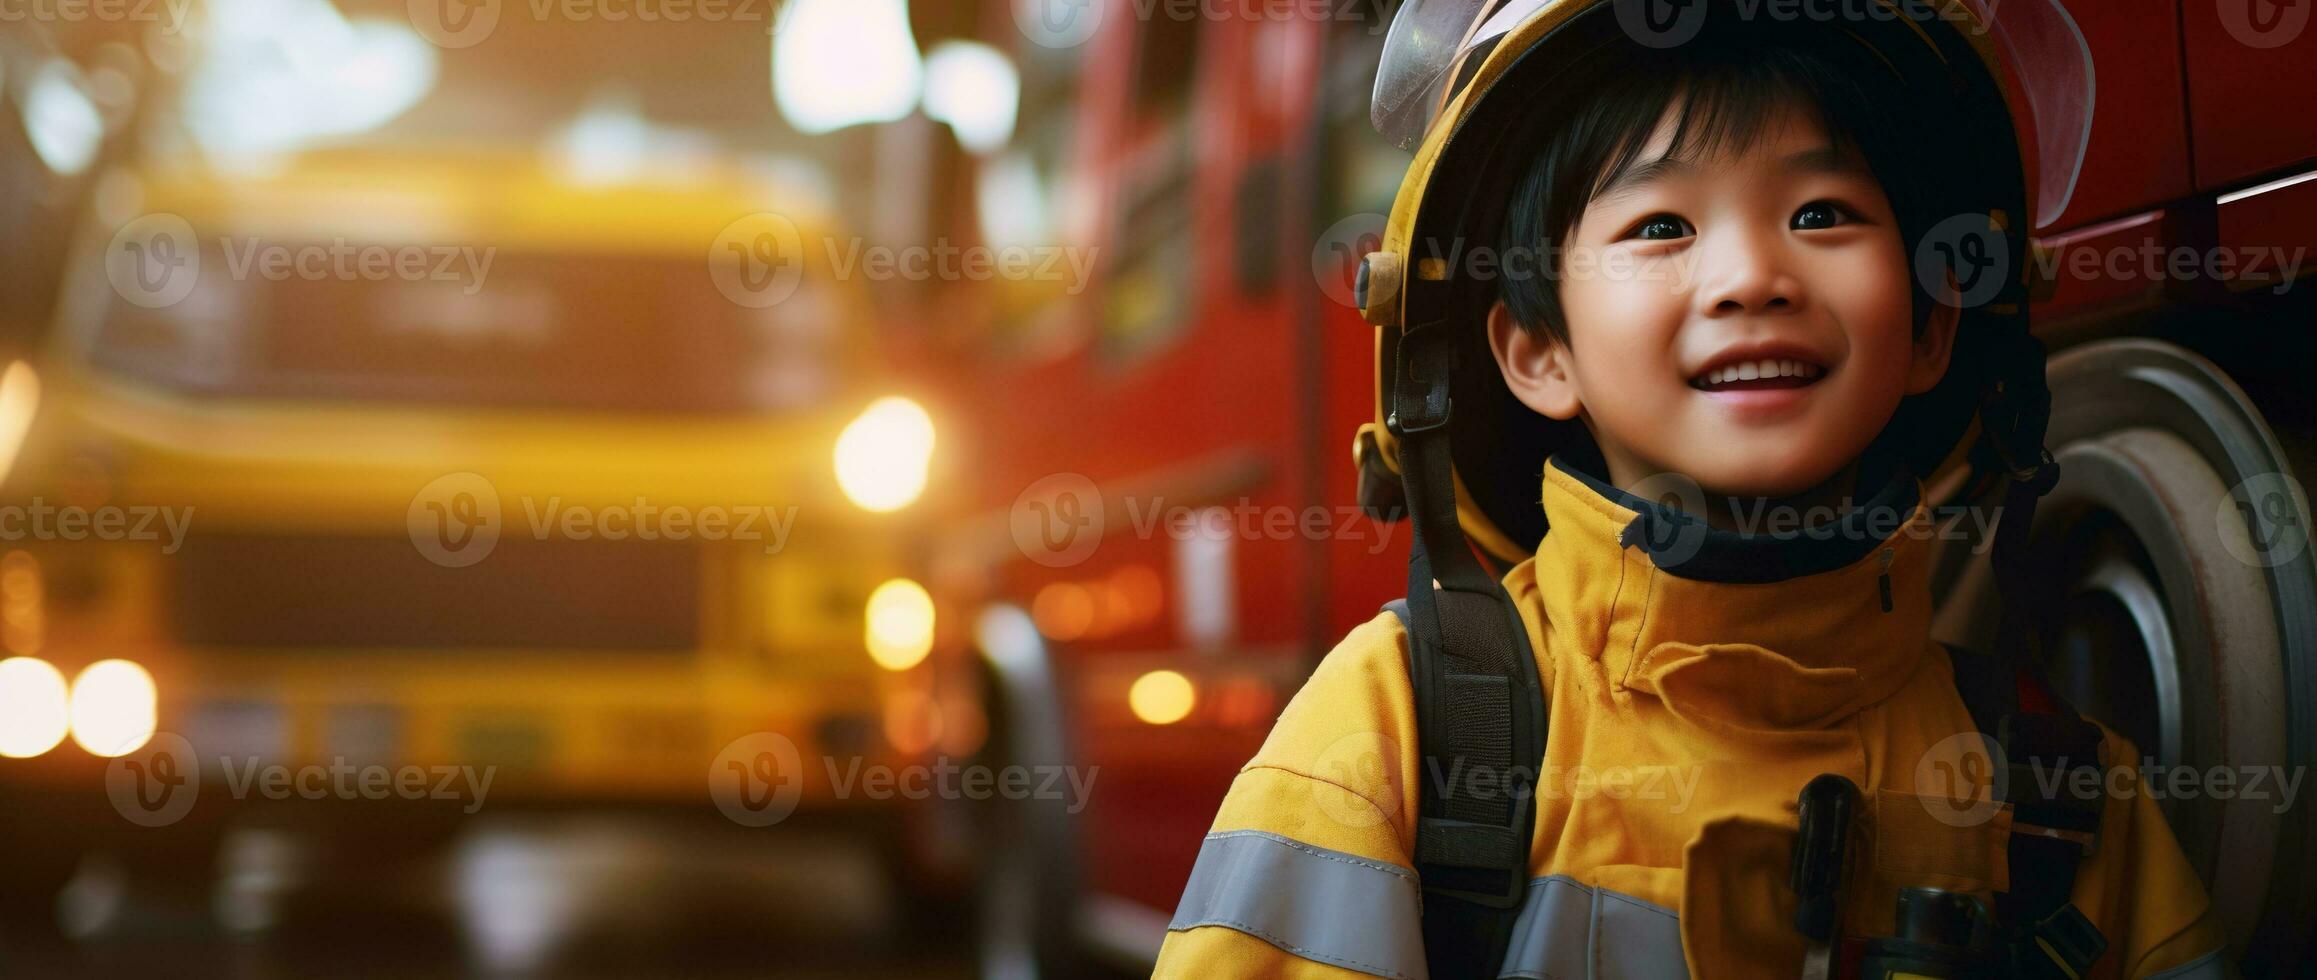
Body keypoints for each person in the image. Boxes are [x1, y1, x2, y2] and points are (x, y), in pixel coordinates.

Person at [1153, 0, 2233, 976]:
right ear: (1536, 350)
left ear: (1932, 325)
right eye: (1660, 226)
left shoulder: (2051, 795)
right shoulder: (1398, 734)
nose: (1753, 276)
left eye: (1821, 213)